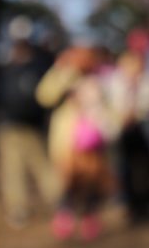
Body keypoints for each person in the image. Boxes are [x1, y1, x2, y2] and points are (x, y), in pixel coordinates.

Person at [37, 45, 117, 242]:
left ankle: (90, 219)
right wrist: (61, 71)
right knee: (67, 184)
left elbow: (110, 109)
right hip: (66, 144)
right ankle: (64, 219)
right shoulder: (64, 77)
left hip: (93, 145)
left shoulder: (98, 80)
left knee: (92, 184)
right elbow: (44, 96)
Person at [0, 19, 59, 227]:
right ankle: (18, 209)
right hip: (8, 127)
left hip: (33, 127)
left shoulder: (40, 64)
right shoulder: (7, 66)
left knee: (42, 167)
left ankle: (59, 202)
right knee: (12, 171)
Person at [108, 31, 149, 222]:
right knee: (125, 169)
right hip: (124, 132)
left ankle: (147, 203)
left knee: (146, 167)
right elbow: (113, 104)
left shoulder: (148, 80)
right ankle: (130, 205)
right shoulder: (116, 81)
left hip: (145, 130)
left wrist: (137, 108)